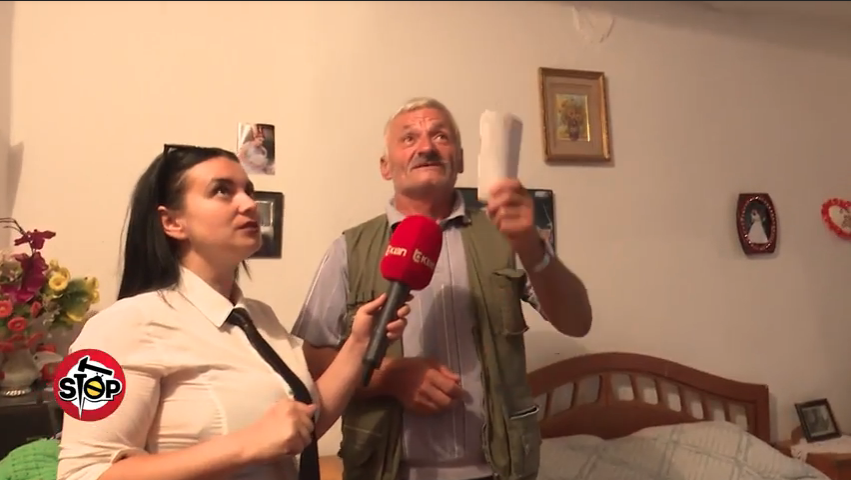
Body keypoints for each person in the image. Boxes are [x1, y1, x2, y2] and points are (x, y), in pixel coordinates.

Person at [56, 144, 410, 480]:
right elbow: (80, 474)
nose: (249, 204)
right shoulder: (117, 327)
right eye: (222, 191)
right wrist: (245, 446)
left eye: (249, 191)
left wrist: (358, 344)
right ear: (172, 222)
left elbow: (298, 429)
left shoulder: (261, 318)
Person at [292, 97, 593, 480]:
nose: (426, 147)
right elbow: (313, 361)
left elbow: (577, 321)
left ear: (461, 160)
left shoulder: (507, 236)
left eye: (440, 136)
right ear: (386, 166)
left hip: (500, 471)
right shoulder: (348, 249)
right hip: (386, 472)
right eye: (409, 138)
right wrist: (390, 376)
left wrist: (533, 248)